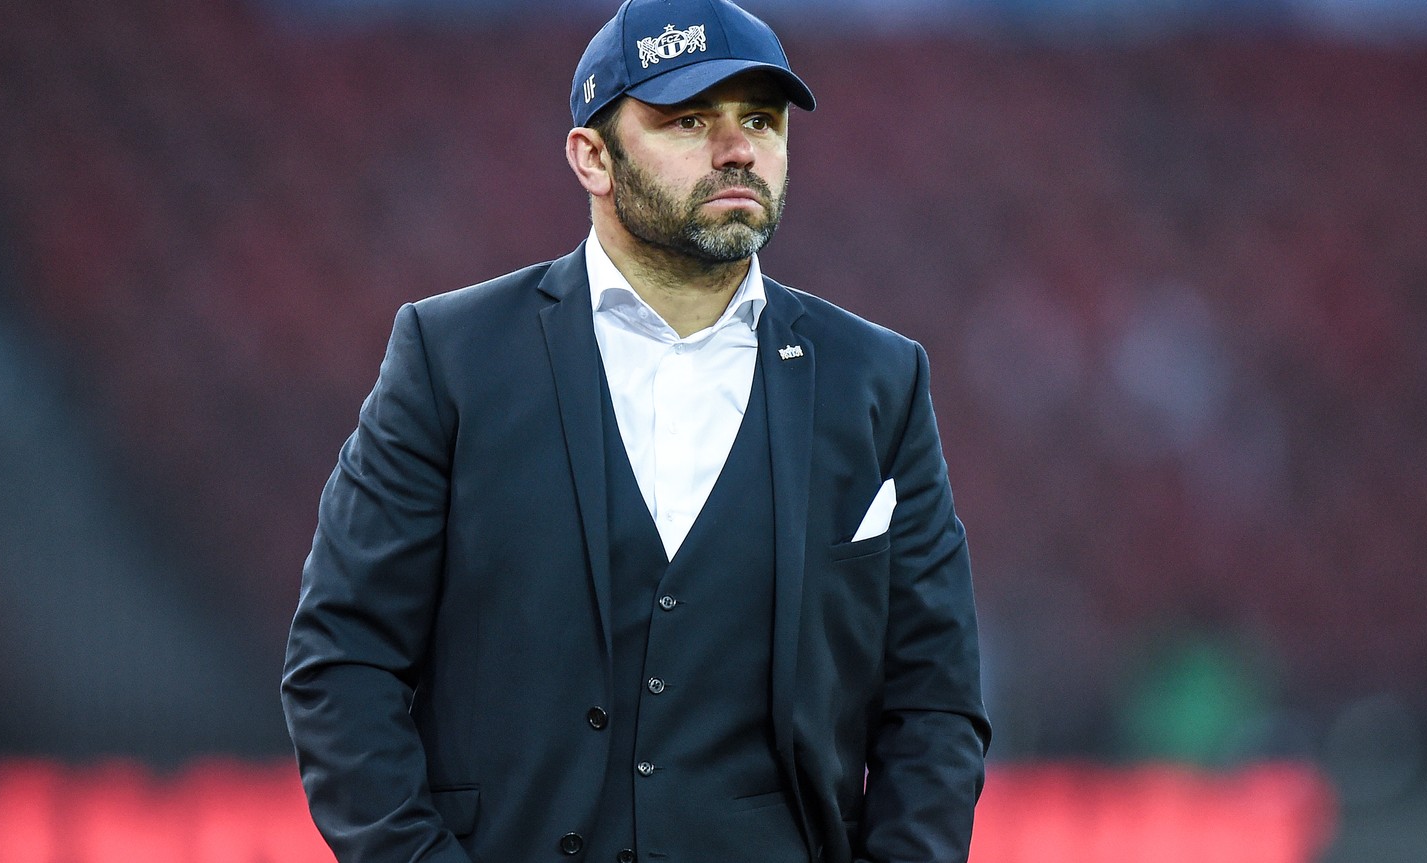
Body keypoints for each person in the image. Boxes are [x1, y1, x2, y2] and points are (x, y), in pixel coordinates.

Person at [280, 0, 990, 861]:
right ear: (592, 157)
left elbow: (936, 702)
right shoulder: (451, 357)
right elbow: (342, 660)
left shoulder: (878, 379)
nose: (737, 149)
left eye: (760, 121)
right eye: (689, 119)